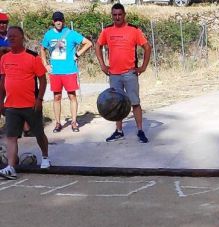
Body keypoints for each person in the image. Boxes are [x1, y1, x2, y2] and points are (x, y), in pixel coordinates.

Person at [95, 3, 152, 143]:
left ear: (124, 14)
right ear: (112, 15)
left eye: (120, 14)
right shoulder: (107, 31)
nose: (117, 17)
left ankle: (140, 131)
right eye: (114, 15)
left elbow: (147, 47)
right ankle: (119, 131)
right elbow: (97, 45)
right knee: (116, 104)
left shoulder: (133, 30)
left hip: (129, 73)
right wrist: (103, 65)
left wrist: (143, 67)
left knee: (135, 102)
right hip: (114, 74)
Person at [0, 26, 50, 180]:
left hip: (30, 104)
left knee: (39, 134)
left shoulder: (32, 57)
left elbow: (42, 79)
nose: (11, 38)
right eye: (9, 36)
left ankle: (45, 157)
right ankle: (11, 166)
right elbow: (3, 80)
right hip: (11, 106)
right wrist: (1, 101)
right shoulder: (4, 58)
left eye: (15, 36)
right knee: (11, 137)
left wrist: (40, 99)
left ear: (22, 38)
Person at [40, 11, 92, 133]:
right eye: (56, 20)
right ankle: (58, 123)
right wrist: (45, 64)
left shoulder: (71, 33)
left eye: (60, 20)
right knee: (56, 97)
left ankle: (74, 122)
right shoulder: (48, 35)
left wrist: (77, 54)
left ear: (63, 21)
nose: (59, 22)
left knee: (72, 96)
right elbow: (42, 49)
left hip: (69, 71)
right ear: (53, 22)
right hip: (55, 72)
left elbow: (88, 43)